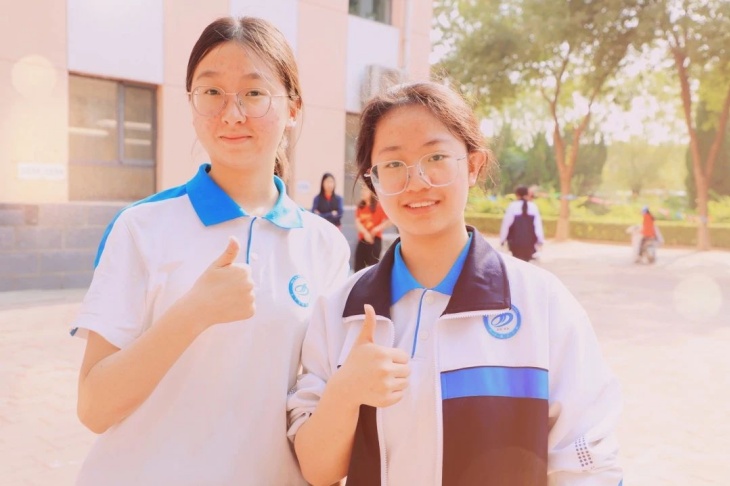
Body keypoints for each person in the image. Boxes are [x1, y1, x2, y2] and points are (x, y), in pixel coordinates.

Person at [287, 81, 622, 485]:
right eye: (393, 164)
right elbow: (318, 470)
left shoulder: (542, 304)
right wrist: (345, 392)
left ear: (474, 165)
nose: (416, 181)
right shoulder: (340, 311)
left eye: (436, 157)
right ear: (373, 181)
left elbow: (588, 466)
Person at [70, 17, 350, 486]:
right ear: (192, 104)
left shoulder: (325, 246)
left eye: (254, 93)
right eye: (211, 92)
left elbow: (319, 403)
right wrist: (193, 313)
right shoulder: (142, 227)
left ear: (293, 108)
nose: (231, 113)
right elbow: (94, 407)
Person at [499, 184, 545, 261]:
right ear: (527, 194)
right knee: (526, 263)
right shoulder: (533, 206)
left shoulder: (512, 206)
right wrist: (540, 240)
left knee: (517, 262)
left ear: (517, 194)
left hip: (515, 243)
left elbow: (506, 225)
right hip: (529, 243)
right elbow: (537, 226)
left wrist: (502, 240)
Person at [354, 184, 391, 271]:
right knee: (358, 267)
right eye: (362, 190)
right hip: (363, 240)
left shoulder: (379, 206)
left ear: (371, 192)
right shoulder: (360, 207)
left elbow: (390, 220)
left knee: (373, 268)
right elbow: (357, 222)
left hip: (375, 240)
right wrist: (365, 233)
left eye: (365, 190)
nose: (362, 192)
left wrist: (377, 229)